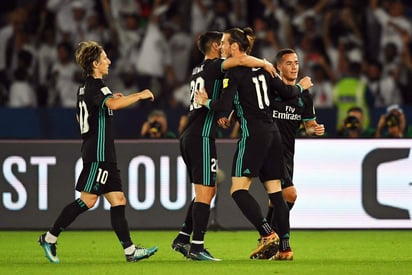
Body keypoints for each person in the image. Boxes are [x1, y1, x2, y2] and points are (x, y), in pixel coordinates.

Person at [195, 27, 313, 259]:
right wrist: (301, 87)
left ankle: (267, 234)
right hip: (273, 134)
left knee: (238, 190)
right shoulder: (264, 68)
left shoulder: (235, 73)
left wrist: (206, 101)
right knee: (276, 193)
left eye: (225, 43)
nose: (222, 47)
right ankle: (285, 249)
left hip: (253, 134)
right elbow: (288, 92)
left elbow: (224, 106)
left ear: (235, 48)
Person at [38, 41, 158, 263]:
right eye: (105, 58)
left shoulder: (86, 88)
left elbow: (97, 109)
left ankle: (130, 252)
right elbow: (110, 105)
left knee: (118, 199)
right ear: (95, 64)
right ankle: (50, 238)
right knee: (88, 200)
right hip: (98, 154)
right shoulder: (97, 86)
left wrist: (114, 99)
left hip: (103, 153)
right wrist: (139, 95)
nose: (109, 61)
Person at [171, 30, 279, 261]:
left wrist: (223, 110)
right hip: (201, 136)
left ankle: (182, 238)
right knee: (206, 192)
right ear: (213, 45)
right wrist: (265, 63)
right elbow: (240, 59)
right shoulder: (214, 65)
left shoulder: (198, 69)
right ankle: (197, 246)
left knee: (204, 190)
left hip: (190, 134)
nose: (223, 45)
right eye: (220, 42)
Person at [263, 48, 325, 260]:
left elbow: (308, 126)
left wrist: (315, 129)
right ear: (279, 67)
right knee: (290, 195)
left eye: (296, 63)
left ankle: (267, 240)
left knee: (276, 200)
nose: (294, 67)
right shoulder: (272, 90)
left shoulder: (304, 97)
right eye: (289, 63)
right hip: (269, 150)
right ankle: (283, 247)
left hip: (288, 153)